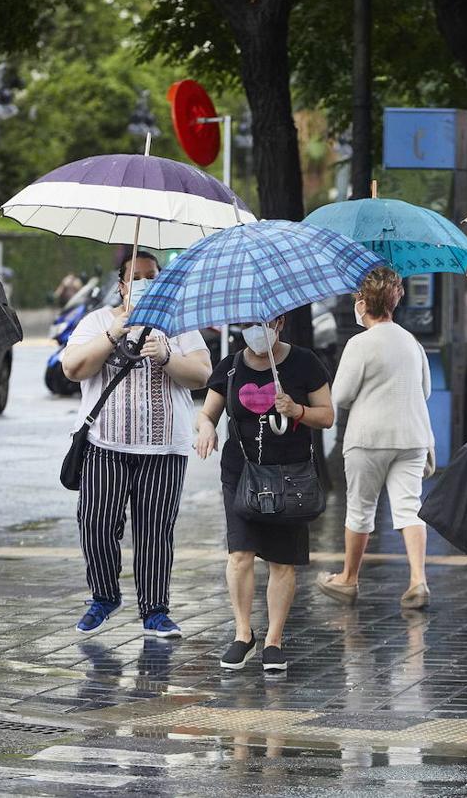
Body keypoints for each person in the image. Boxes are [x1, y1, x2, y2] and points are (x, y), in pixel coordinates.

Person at [61, 249, 212, 639]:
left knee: (156, 530)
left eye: (152, 276)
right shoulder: (97, 321)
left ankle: (155, 610)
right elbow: (72, 367)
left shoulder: (179, 325)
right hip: (104, 444)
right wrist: (115, 333)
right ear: (122, 284)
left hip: (163, 449)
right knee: (95, 522)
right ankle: (104, 595)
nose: (145, 282)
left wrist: (166, 356)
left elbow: (201, 374)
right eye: (137, 276)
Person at [195, 314, 334, 673]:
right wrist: (206, 428)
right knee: (240, 554)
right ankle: (243, 633)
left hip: (290, 474)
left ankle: (274, 639)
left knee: (281, 560)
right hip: (241, 474)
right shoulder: (229, 368)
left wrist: (297, 410)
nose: (257, 330)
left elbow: (328, 416)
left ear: (282, 322)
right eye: (249, 323)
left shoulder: (305, 362)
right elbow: (207, 413)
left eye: (265, 322)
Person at [317, 267, 434, 609]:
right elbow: (424, 390)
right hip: (412, 435)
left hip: (368, 438)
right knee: (409, 508)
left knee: (360, 509)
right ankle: (418, 580)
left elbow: (340, 396)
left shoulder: (359, 343)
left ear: (363, 303)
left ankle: (348, 579)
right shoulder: (411, 341)